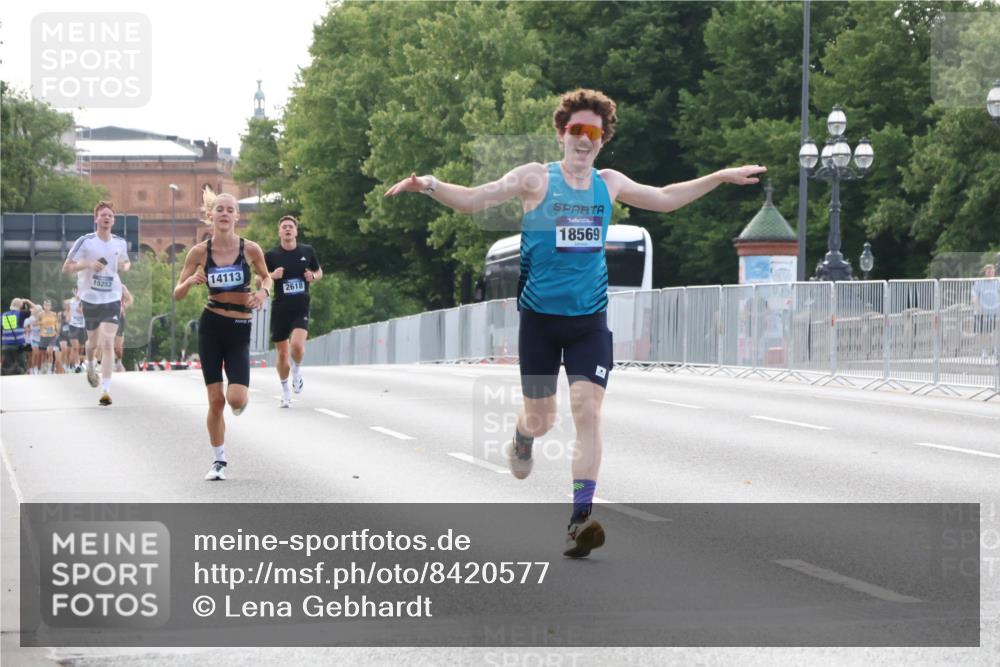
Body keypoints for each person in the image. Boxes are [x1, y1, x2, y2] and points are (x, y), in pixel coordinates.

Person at [386, 88, 765, 558]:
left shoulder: (609, 183)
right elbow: (472, 200)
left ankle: (579, 520)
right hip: (540, 323)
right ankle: (523, 436)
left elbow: (666, 198)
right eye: (576, 131)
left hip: (589, 322)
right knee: (542, 419)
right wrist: (428, 184)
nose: (584, 139)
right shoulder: (534, 179)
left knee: (587, 410)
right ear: (562, 134)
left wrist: (721, 177)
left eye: (593, 132)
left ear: (602, 139)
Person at [173, 192, 272, 481]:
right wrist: (191, 281)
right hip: (212, 325)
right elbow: (177, 294)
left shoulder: (250, 249)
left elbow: (266, 277)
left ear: (237, 216)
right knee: (216, 401)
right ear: (211, 215)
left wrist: (264, 292)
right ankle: (219, 461)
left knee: (236, 400)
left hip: (240, 328)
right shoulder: (199, 253)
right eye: (220, 210)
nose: (225, 214)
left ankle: (240, 398)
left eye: (231, 210)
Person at [62, 201, 131, 405]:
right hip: (90, 298)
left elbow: (126, 262)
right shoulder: (85, 241)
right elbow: (67, 267)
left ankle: (106, 390)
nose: (107, 218)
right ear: (96, 219)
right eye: (103, 215)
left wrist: (124, 266)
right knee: (92, 344)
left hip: (111, 297)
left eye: (110, 215)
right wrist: (89, 264)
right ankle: (90, 363)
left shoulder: (119, 243)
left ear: (114, 220)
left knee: (108, 342)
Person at [265, 216, 323, 407]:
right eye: (284, 227)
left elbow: (319, 272)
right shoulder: (272, 256)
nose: (288, 229)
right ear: (279, 232)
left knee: (296, 347)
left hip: (300, 306)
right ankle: (285, 390)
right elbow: (260, 279)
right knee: (282, 355)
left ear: (296, 232)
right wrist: (272, 275)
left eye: (291, 227)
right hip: (280, 309)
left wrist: (312, 276)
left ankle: (297, 370)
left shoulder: (307, 251)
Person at [972, 263, 999, 359]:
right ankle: (984, 351)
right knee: (983, 332)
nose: (990, 272)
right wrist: (978, 307)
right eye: (988, 271)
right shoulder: (979, 283)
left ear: (994, 272)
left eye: (992, 271)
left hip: (995, 311)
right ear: (985, 272)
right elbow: (975, 297)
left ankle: (996, 349)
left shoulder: (998, 282)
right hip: (982, 311)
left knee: (996, 330)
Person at [1, 298, 29, 375]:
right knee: (22, 366)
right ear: (20, 306)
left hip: (6, 345)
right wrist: (26, 302)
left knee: (5, 368)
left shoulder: (3, 315)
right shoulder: (21, 314)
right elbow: (36, 310)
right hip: (19, 344)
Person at [64, 287, 87, 371]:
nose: (77, 292)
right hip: (73, 325)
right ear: (73, 292)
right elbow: (65, 303)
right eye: (75, 291)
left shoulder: (84, 301)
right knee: (75, 347)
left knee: (81, 348)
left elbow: (88, 312)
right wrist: (68, 313)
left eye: (78, 290)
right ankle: (74, 366)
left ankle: (78, 364)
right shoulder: (71, 301)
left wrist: (82, 310)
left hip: (82, 326)